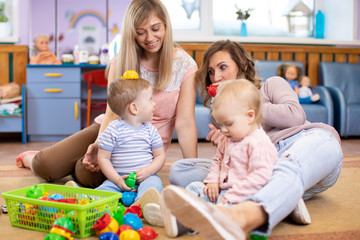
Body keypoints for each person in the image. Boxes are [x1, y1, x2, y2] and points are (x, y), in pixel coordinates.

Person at [164, 40, 343, 239]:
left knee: (288, 166)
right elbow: (234, 158)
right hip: (259, 167)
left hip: (303, 143)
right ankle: (282, 199)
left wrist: (245, 104)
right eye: (211, 72)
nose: (216, 77)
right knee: (180, 170)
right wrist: (228, 142)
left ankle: (241, 216)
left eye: (223, 67)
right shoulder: (220, 113)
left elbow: (296, 115)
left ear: (243, 66)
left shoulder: (271, 85)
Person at [15, 0, 198, 189]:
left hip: (141, 149)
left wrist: (193, 172)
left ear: (166, 26)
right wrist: (98, 144)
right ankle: (33, 159)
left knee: (85, 174)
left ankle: (72, 164)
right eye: (141, 32)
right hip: (111, 130)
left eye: (155, 29)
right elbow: (112, 113)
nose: (149, 38)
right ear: (132, 33)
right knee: (45, 165)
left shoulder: (185, 65)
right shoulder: (121, 61)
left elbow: (185, 124)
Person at [186, 79, 278, 206]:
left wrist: (232, 196)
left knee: (224, 211)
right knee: (194, 188)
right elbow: (218, 160)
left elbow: (261, 176)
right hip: (223, 191)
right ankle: (177, 212)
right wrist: (213, 181)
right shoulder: (227, 138)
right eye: (220, 124)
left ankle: (199, 217)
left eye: (228, 124)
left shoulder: (258, 143)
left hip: (244, 196)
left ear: (250, 116)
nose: (223, 130)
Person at [95, 73, 165, 202]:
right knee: (105, 189)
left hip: (146, 178)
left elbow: (160, 156)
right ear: (134, 108)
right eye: (150, 99)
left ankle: (142, 203)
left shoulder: (151, 130)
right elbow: (103, 158)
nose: (154, 104)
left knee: (154, 184)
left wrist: (148, 172)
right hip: (119, 179)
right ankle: (90, 199)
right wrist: (116, 179)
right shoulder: (112, 130)